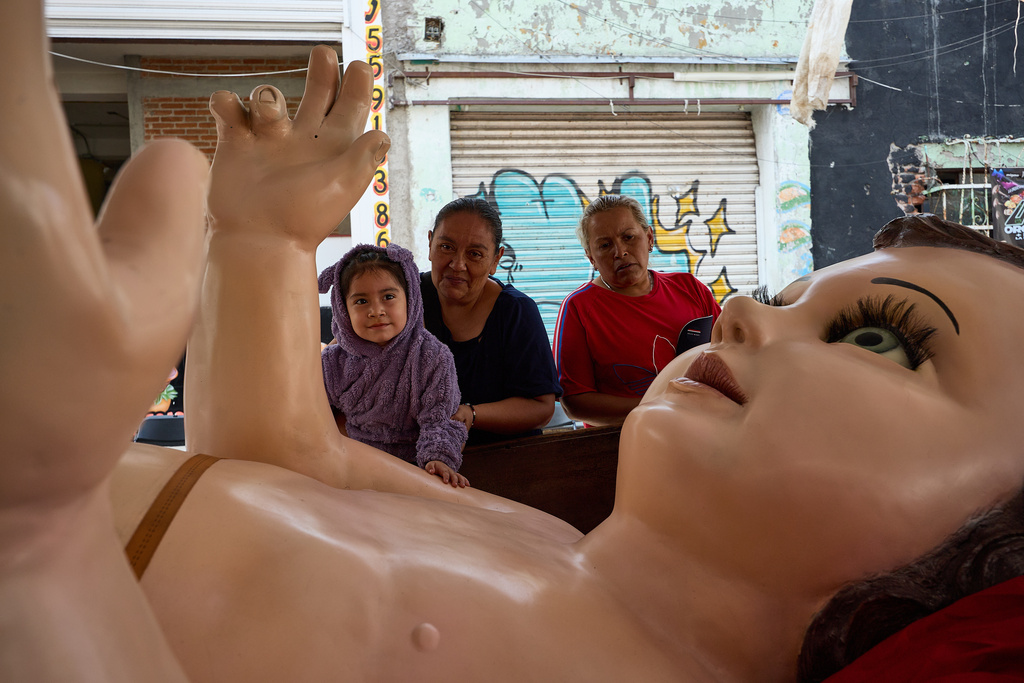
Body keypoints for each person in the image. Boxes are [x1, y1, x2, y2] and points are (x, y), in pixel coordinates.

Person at [5, 4, 1024, 680]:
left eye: (881, 340)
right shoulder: (547, 542)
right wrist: (264, 244)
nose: (740, 315)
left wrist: (39, 557)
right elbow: (286, 453)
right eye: (780, 293)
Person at [553, 194, 722, 426]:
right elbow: (575, 403)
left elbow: (733, 354)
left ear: (650, 238)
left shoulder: (690, 288)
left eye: (629, 237)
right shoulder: (578, 308)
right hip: (626, 446)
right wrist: (663, 406)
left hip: (706, 432)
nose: (620, 252)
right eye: (605, 245)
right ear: (591, 257)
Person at [319, 243, 468, 487]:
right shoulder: (332, 363)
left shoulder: (433, 357)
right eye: (361, 301)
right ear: (342, 309)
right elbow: (313, 419)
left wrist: (438, 459)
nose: (376, 311)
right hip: (350, 470)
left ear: (410, 298)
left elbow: (439, 421)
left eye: (388, 297)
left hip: (413, 473)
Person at [420, 197, 562, 445]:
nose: (457, 264)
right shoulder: (404, 296)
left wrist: (470, 414)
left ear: (496, 259)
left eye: (474, 254)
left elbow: (541, 407)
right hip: (419, 464)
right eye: (446, 247)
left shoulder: (517, 312)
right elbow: (348, 351)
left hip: (506, 463)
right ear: (430, 242)